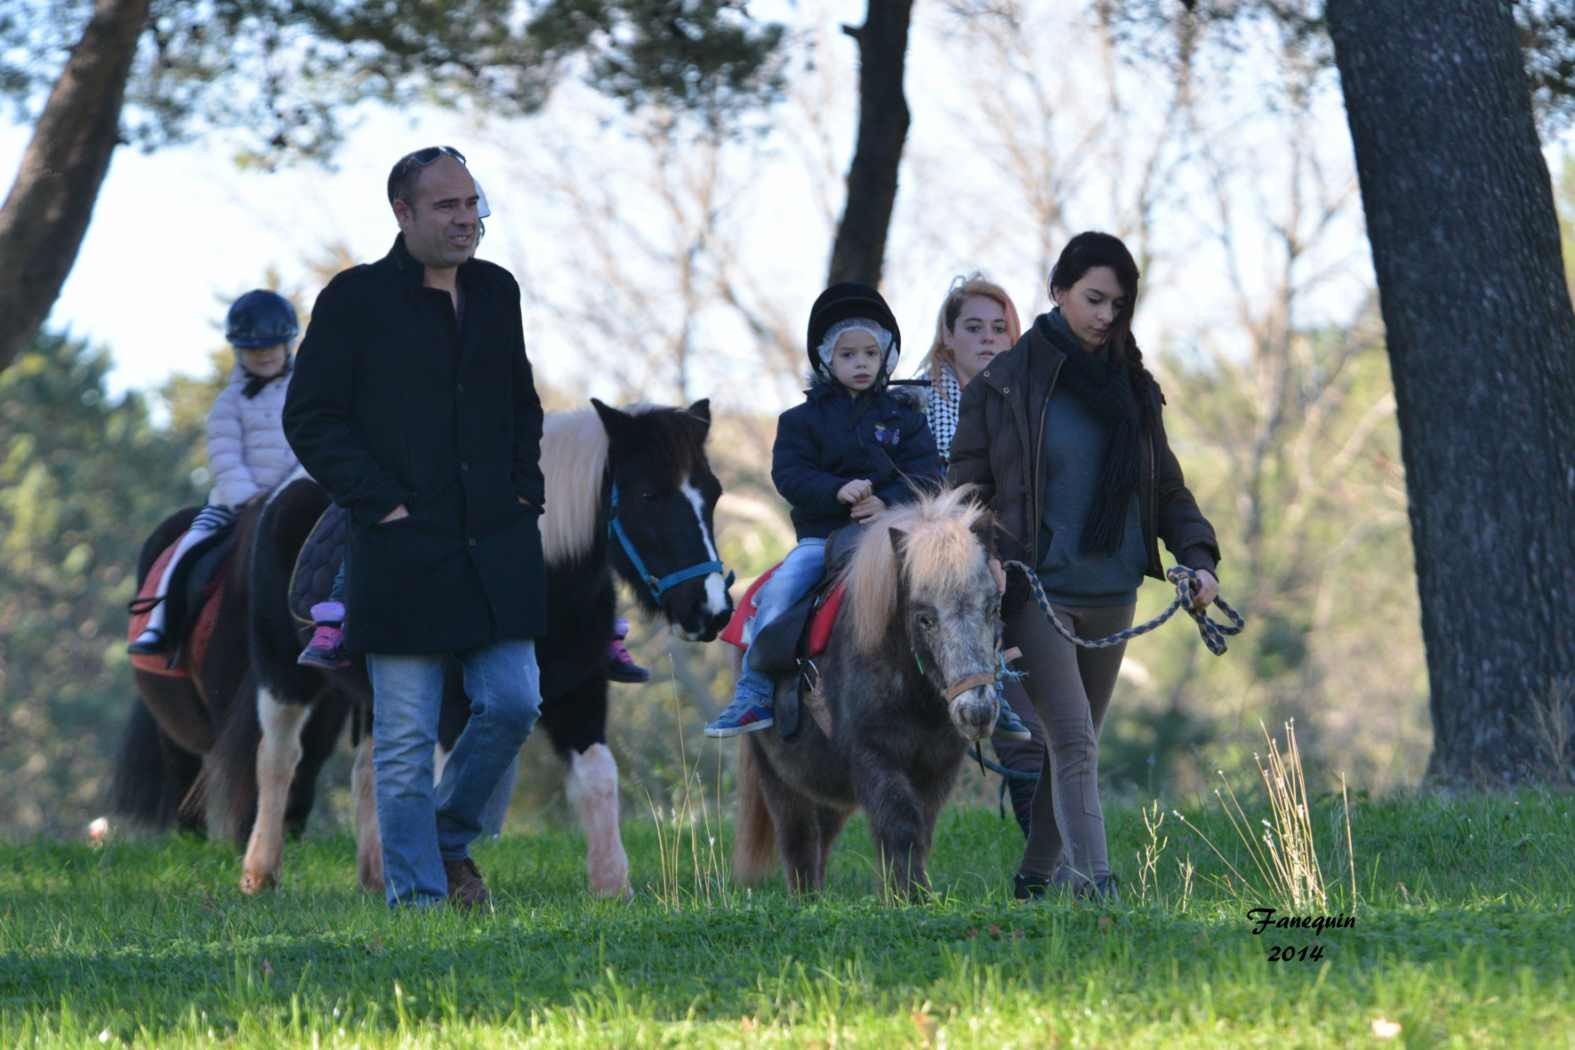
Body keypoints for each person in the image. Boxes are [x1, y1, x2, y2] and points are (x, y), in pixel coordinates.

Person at [283, 146, 546, 910]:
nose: (467, 219)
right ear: (403, 213)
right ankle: (420, 903)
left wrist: (525, 490)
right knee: (400, 741)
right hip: (399, 549)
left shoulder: (497, 292)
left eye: (472, 204)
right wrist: (381, 503)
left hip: (497, 542)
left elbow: (520, 404)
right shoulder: (355, 300)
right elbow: (312, 416)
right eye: (448, 207)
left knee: (512, 701)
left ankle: (445, 834)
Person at [949, 232, 1223, 902]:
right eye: (1093, 299)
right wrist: (983, 554)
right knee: (1071, 740)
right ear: (1058, 290)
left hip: (1115, 590)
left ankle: (1033, 879)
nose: (1105, 315)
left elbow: (1165, 491)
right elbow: (967, 494)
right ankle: (1095, 888)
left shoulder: (1134, 387)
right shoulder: (1002, 387)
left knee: (1070, 749)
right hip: (1037, 593)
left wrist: (1195, 558)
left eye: (1117, 304)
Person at [706, 282, 1026, 740]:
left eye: (869, 354)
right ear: (826, 360)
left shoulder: (906, 418)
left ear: (886, 359)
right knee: (782, 587)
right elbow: (790, 475)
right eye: (848, 355)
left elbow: (927, 475)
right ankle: (754, 688)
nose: (860, 364)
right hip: (824, 539)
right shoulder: (799, 422)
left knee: (963, 592)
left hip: (900, 540)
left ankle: (989, 682)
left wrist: (888, 502)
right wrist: (836, 491)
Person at [911, 274, 1045, 833]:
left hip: (1015, 568)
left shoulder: (1031, 407)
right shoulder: (910, 404)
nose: (988, 339)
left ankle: (1048, 860)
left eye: (1000, 328)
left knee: (1036, 731)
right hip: (935, 575)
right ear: (947, 335)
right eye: (974, 328)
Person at [129, 290, 301, 655]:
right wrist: (247, 497)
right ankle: (160, 626)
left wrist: (298, 487)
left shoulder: (309, 393)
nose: (266, 354)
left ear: (288, 344)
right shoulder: (229, 403)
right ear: (239, 350)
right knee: (189, 549)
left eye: (274, 345)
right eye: (255, 349)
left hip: (298, 501)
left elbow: (318, 443)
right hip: (235, 505)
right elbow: (224, 457)